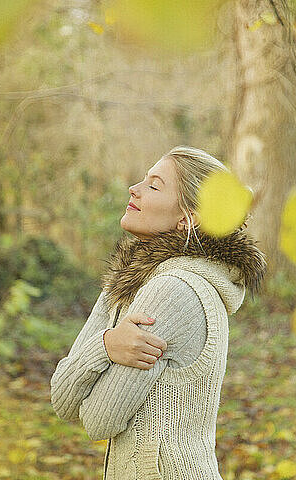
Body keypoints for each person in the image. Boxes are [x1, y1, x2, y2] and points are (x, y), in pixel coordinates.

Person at [50, 145, 267, 480]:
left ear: (187, 218)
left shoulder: (174, 291)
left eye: (154, 185)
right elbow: (62, 400)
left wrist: (99, 351)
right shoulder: (134, 279)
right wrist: (106, 345)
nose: (133, 189)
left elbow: (97, 420)